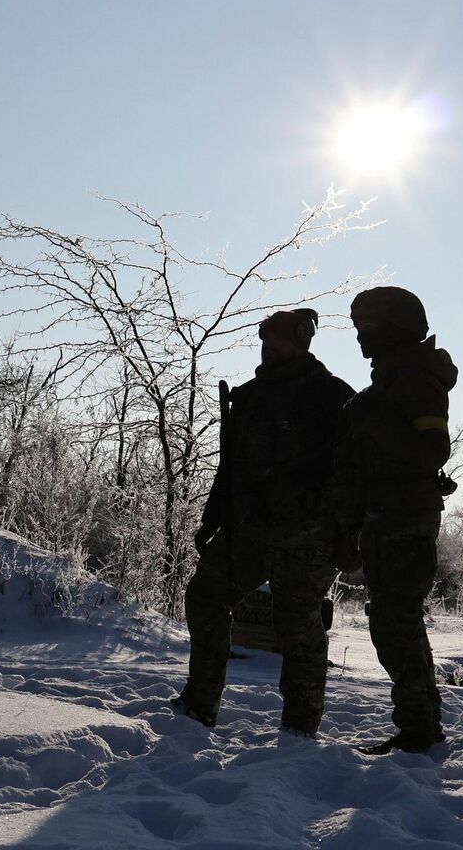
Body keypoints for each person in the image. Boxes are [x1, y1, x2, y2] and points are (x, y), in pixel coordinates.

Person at [172, 310, 353, 736]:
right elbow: (230, 467)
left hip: (308, 535)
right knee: (205, 595)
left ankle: (300, 725)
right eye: (265, 340)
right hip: (248, 528)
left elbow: (353, 470)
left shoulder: (333, 396)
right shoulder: (250, 397)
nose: (269, 347)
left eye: (279, 340)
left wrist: (343, 529)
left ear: (301, 344)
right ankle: (199, 704)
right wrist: (212, 518)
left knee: (297, 621)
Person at [333, 287, 456, 756]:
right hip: (386, 516)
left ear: (395, 328)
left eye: (367, 326)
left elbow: (432, 450)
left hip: (405, 517)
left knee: (394, 623)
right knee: (395, 623)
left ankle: (418, 729)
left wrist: (370, 419)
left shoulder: (414, 378)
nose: (360, 336)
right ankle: (420, 724)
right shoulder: (391, 378)